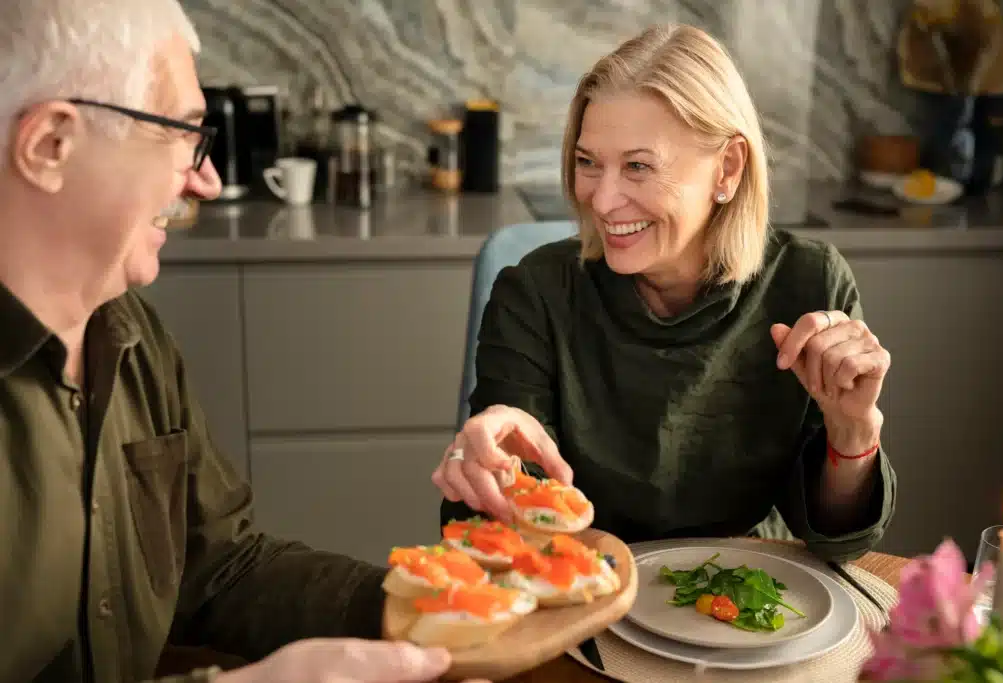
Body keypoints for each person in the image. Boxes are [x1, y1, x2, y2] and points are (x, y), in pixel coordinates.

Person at [0, 2, 486, 683]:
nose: (205, 178)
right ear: (51, 143)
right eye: (184, 135)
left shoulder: (133, 336)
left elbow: (219, 566)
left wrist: (428, 603)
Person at [433, 24, 897, 564]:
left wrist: (852, 431)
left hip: (752, 591)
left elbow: (837, 537)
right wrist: (490, 470)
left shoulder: (811, 284)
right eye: (588, 163)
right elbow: (502, 535)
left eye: (638, 166)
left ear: (727, 168)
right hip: (589, 588)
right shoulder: (534, 293)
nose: (602, 201)